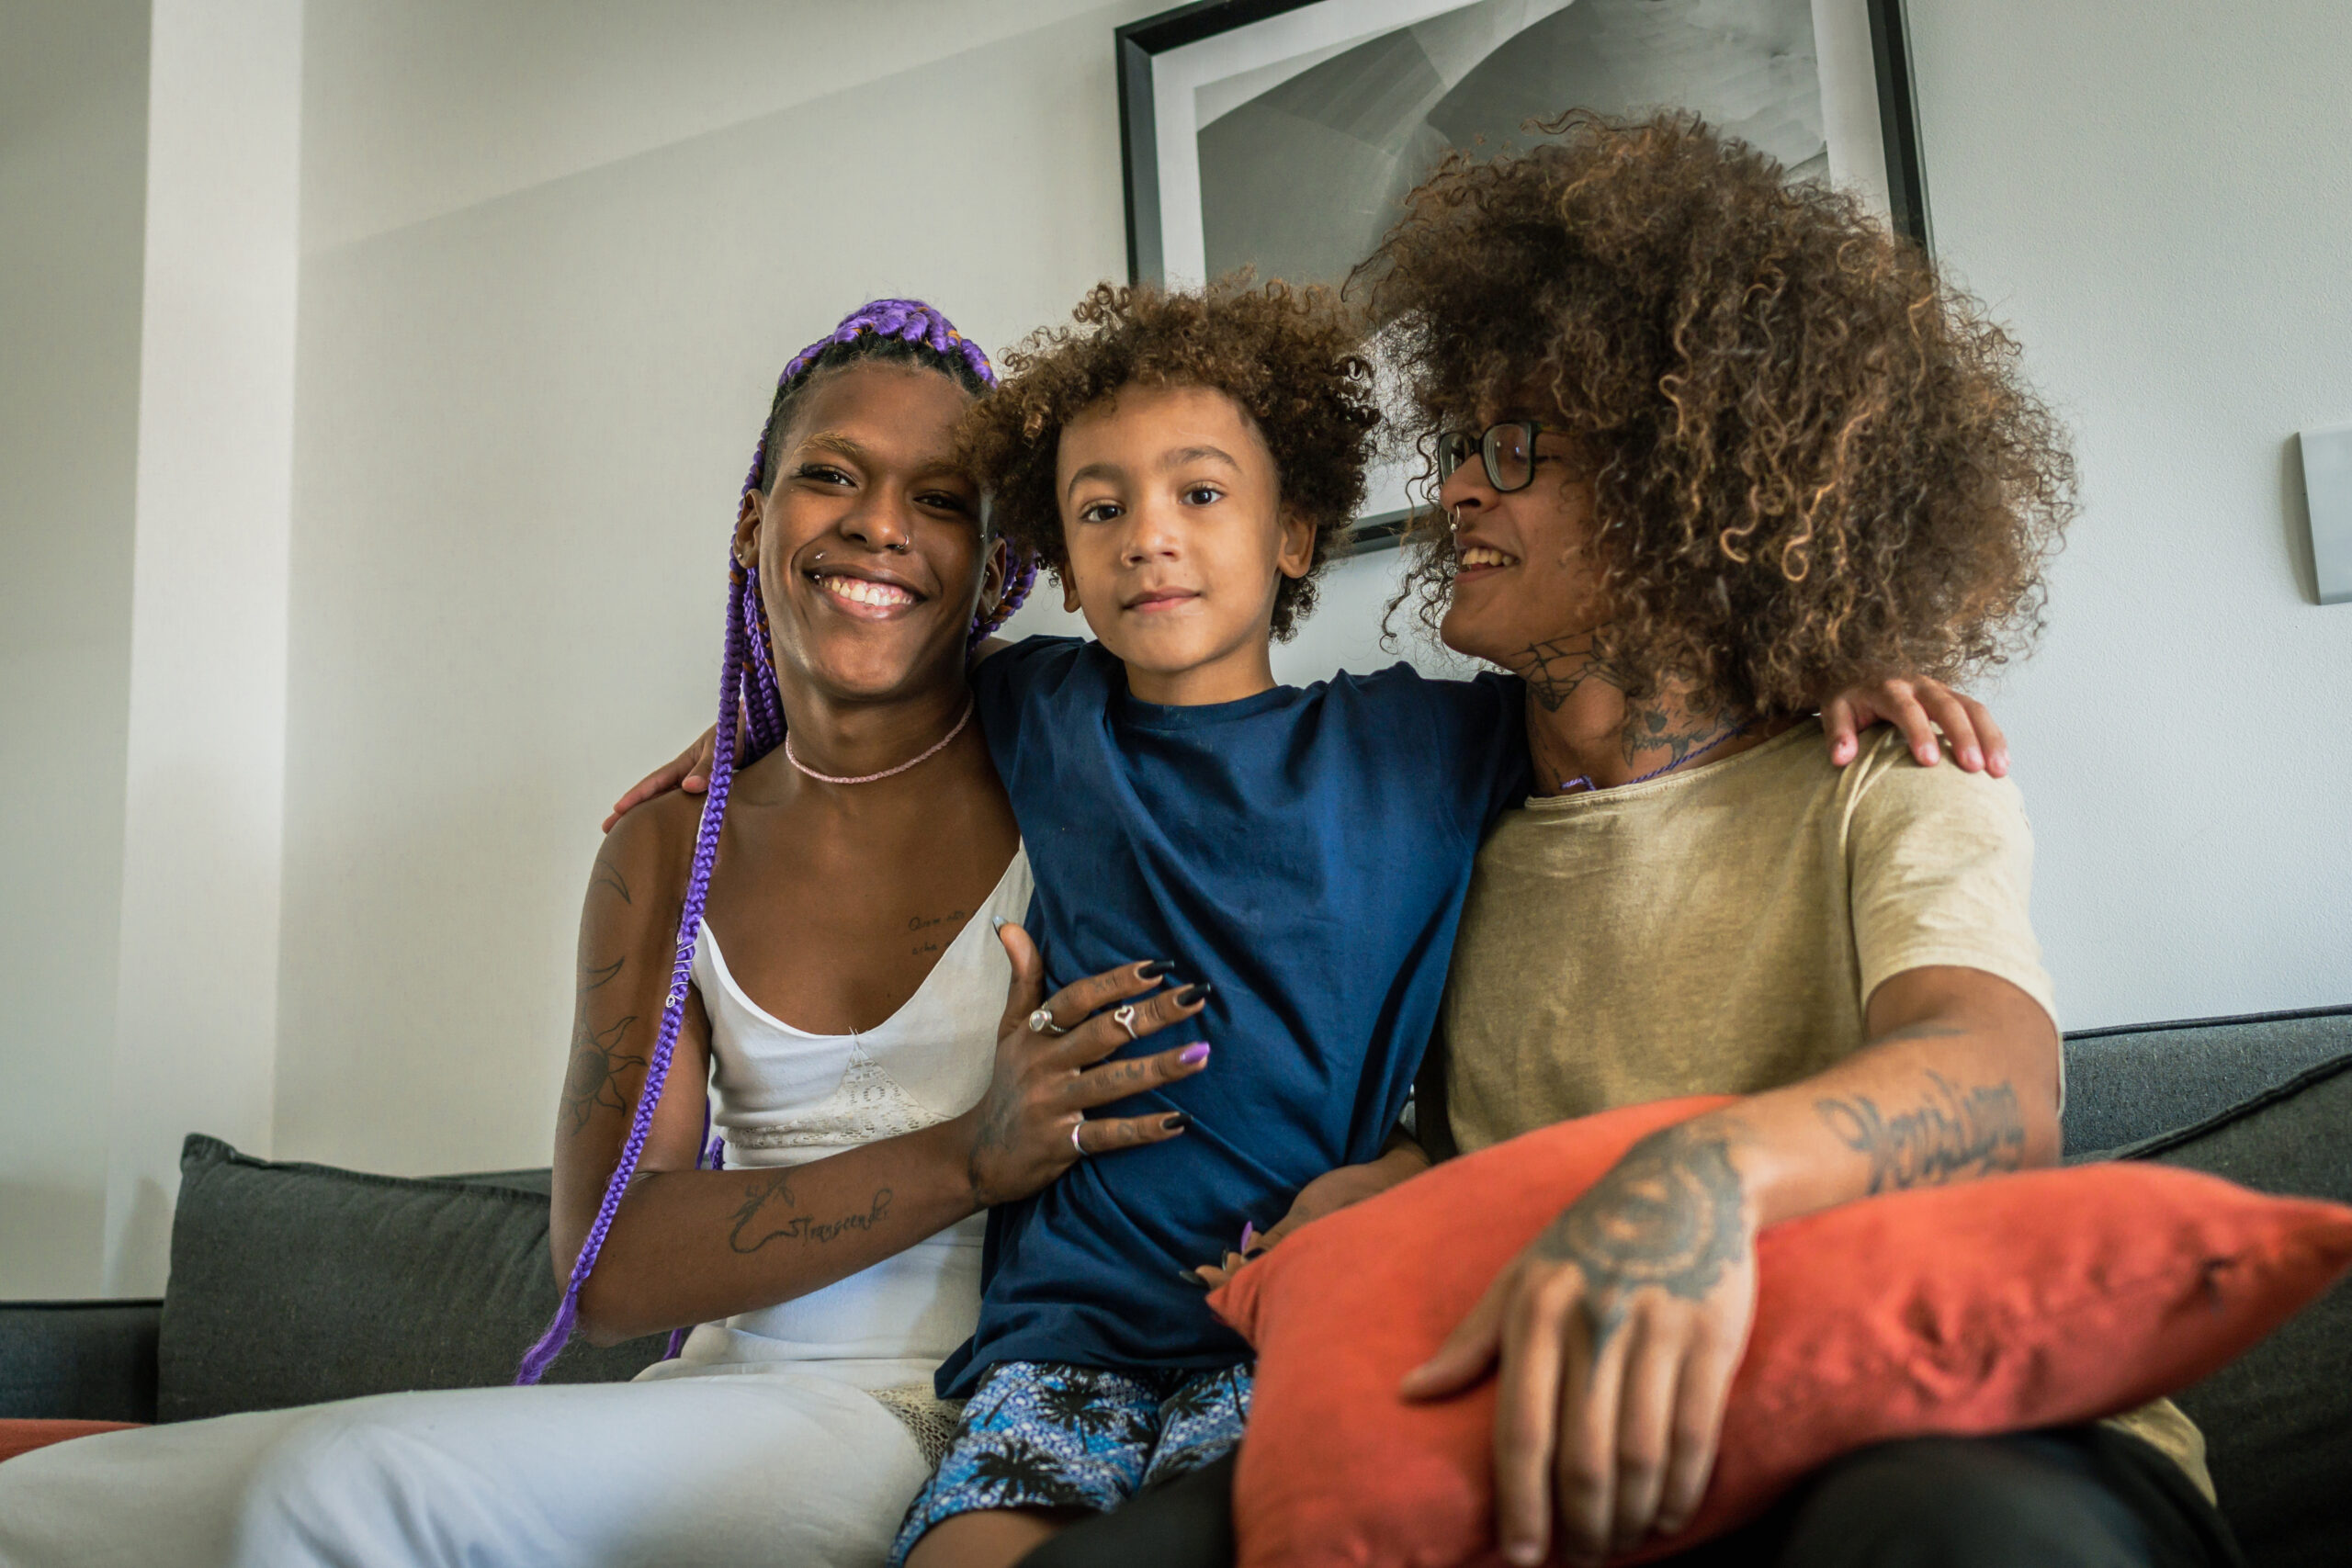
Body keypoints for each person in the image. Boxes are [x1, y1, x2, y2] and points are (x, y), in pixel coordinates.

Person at [1032, 114, 2239, 1568]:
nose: (1460, 488)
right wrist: (1395, 1181)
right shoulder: (1443, 808)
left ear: (1688, 481)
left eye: (1518, 447)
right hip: (1579, 1436)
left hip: (1947, 1425)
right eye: (1462, 446)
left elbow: (1990, 1081)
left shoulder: (1885, 769)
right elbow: (1483, 1123)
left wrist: (1701, 1178)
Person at [0, 301, 1206, 1568]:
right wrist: (970, 1152)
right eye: (831, 475)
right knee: (41, 1505)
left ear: (994, 561)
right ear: (754, 522)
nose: (880, 523)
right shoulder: (667, 852)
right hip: (708, 1406)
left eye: (944, 500)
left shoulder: (1071, 771)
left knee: (333, 1488)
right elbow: (612, 1266)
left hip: (939, 1420)